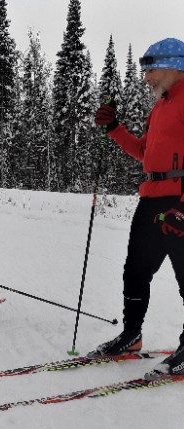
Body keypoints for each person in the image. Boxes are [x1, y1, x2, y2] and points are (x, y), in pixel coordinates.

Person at [90, 38, 184, 377]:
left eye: (151, 70)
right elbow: (145, 153)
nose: (146, 78)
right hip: (152, 198)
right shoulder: (160, 106)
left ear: (175, 65)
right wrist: (114, 129)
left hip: (180, 199)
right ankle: (131, 336)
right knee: (136, 270)